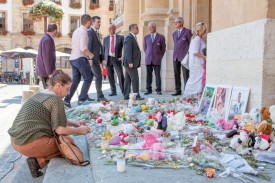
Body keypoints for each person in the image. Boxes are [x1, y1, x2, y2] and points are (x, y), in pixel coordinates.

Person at [8, 70, 91, 178]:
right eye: (67, 89)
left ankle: (37, 158)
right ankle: (37, 161)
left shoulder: (42, 93)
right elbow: (59, 130)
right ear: (58, 85)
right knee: (68, 142)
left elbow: (57, 119)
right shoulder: (55, 99)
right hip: (27, 143)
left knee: (65, 140)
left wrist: (76, 124)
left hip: (16, 141)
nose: (68, 93)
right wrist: (80, 131)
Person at [64, 14, 94, 108]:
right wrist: (90, 55)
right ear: (88, 22)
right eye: (91, 22)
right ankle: (81, 99)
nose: (91, 24)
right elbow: (83, 48)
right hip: (80, 58)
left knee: (76, 80)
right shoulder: (84, 32)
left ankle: (67, 100)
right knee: (88, 77)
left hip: (73, 58)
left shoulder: (76, 31)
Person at [88, 16, 108, 102]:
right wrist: (90, 58)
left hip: (97, 59)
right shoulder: (90, 32)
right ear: (92, 22)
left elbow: (100, 47)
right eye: (98, 22)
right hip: (92, 59)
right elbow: (89, 46)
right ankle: (100, 96)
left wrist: (102, 59)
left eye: (100, 22)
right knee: (99, 77)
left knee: (89, 78)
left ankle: (84, 95)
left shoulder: (97, 33)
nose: (99, 24)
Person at [184, 22, 207, 97]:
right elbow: (195, 52)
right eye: (204, 29)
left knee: (199, 79)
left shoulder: (199, 39)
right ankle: (190, 94)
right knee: (195, 79)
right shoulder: (196, 39)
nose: (205, 31)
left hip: (199, 62)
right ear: (199, 30)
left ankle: (198, 95)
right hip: (196, 63)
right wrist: (205, 57)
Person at [143, 22, 166, 95]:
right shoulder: (146, 37)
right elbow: (145, 48)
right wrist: (148, 54)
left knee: (157, 75)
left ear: (155, 27)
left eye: (152, 27)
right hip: (148, 59)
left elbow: (163, 49)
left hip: (157, 59)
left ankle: (158, 90)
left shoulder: (161, 37)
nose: (150, 28)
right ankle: (148, 89)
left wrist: (159, 56)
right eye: (149, 27)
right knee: (148, 75)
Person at [123, 24, 144, 100]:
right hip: (130, 63)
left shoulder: (132, 37)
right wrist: (130, 62)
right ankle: (136, 96)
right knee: (135, 78)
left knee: (128, 80)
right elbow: (128, 51)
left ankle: (126, 95)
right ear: (132, 29)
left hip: (130, 62)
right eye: (136, 28)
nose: (138, 29)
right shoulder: (129, 37)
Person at [172, 17, 192, 96]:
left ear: (181, 23)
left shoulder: (187, 32)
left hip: (184, 56)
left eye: (177, 22)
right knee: (176, 74)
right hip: (175, 56)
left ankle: (186, 91)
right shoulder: (174, 33)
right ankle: (178, 90)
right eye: (175, 22)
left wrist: (189, 54)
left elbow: (190, 43)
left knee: (185, 74)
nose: (176, 23)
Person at [103, 24, 124, 96]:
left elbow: (125, 48)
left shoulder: (120, 37)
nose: (110, 30)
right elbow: (103, 50)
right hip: (108, 59)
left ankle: (124, 91)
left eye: (111, 29)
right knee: (110, 76)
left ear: (115, 29)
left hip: (116, 58)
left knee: (120, 74)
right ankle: (113, 91)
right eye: (109, 29)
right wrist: (103, 60)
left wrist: (123, 56)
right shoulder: (105, 39)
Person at [36, 23, 57, 89]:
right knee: (48, 91)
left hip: (44, 70)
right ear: (55, 30)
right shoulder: (47, 39)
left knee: (48, 91)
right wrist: (49, 72)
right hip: (46, 71)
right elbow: (46, 57)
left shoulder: (45, 37)